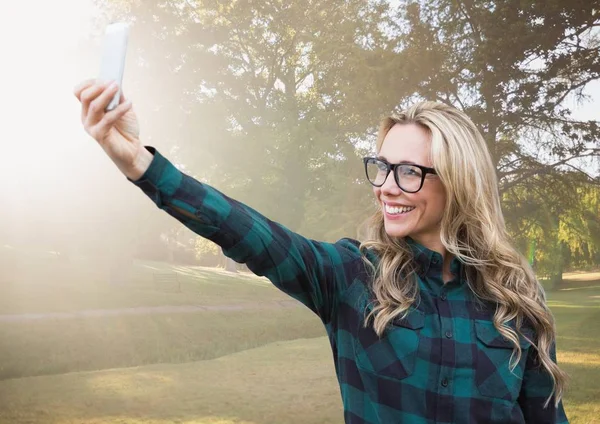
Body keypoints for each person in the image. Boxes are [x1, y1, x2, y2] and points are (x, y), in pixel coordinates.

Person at [73, 79, 569, 424]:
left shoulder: (515, 298)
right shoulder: (351, 275)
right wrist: (139, 162)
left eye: (410, 172)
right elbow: (246, 230)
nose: (387, 188)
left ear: (459, 181)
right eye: (382, 166)